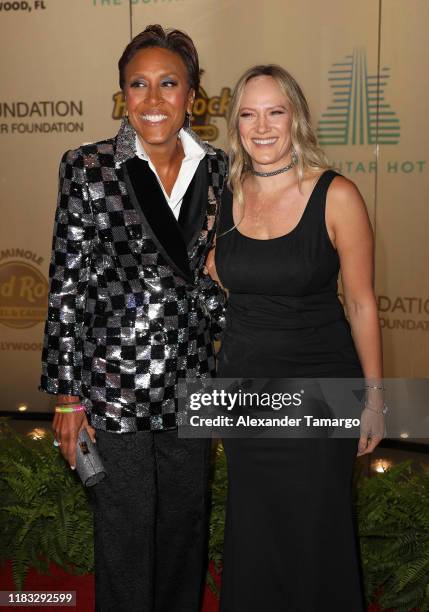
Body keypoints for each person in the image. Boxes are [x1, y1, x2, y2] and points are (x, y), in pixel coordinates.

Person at [40, 25, 228, 612]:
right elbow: (66, 285)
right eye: (137, 85)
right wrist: (68, 397)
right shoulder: (88, 167)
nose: (152, 100)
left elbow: (221, 274)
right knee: (124, 538)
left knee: (184, 532)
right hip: (113, 384)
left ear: (193, 94)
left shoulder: (220, 168)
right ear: (122, 94)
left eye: (168, 84)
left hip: (193, 379)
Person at [206, 65, 385, 611]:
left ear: (297, 118)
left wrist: (375, 398)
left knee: (314, 534)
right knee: (254, 534)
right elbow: (210, 276)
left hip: (319, 391)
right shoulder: (221, 195)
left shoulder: (337, 195)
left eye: (275, 111)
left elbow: (360, 303)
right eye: (247, 114)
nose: (262, 127)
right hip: (242, 390)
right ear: (235, 124)